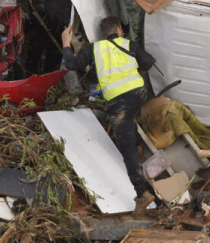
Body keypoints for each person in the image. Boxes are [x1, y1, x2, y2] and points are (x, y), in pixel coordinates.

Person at [61, 16, 156, 214]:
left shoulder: (94, 49)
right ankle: (138, 143)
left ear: (102, 34)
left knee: (126, 150)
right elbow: (149, 60)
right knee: (130, 119)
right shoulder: (128, 43)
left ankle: (142, 194)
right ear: (119, 29)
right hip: (139, 94)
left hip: (119, 104)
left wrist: (65, 43)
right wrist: (140, 70)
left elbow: (70, 64)